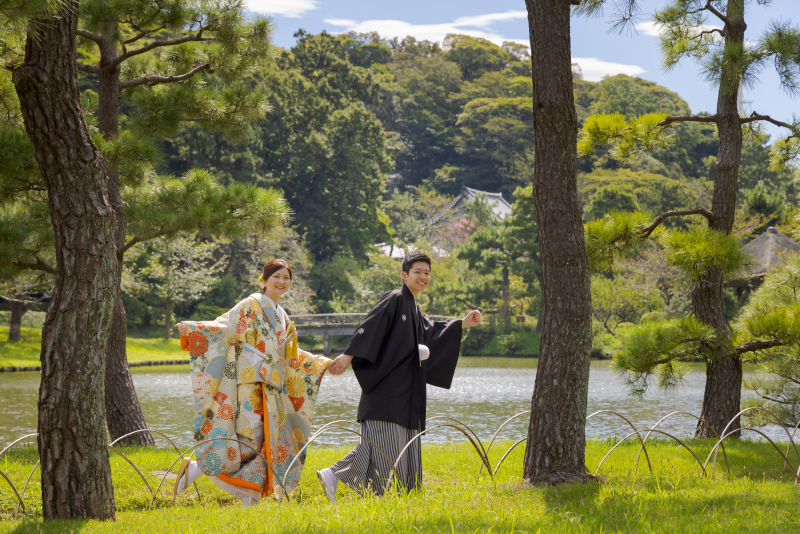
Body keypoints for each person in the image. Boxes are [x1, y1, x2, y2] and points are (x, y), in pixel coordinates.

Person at [317, 252, 481, 501]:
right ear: (405, 275)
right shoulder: (395, 298)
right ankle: (344, 479)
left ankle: (335, 475)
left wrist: (461, 324)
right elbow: (371, 325)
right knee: (383, 447)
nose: (423, 276)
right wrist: (349, 355)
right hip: (386, 390)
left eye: (427, 273)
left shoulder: (414, 308)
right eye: (417, 271)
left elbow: (432, 332)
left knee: (391, 445)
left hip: (405, 392)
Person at [173, 259, 332, 506]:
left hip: (270, 387)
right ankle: (196, 469)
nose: (281, 282)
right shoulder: (251, 303)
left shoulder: (284, 317)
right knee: (247, 439)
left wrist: (320, 362)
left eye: (286, 278)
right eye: (276, 277)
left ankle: (247, 494)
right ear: (264, 281)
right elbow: (226, 325)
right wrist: (194, 329)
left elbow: (291, 355)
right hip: (250, 382)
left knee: (262, 442)